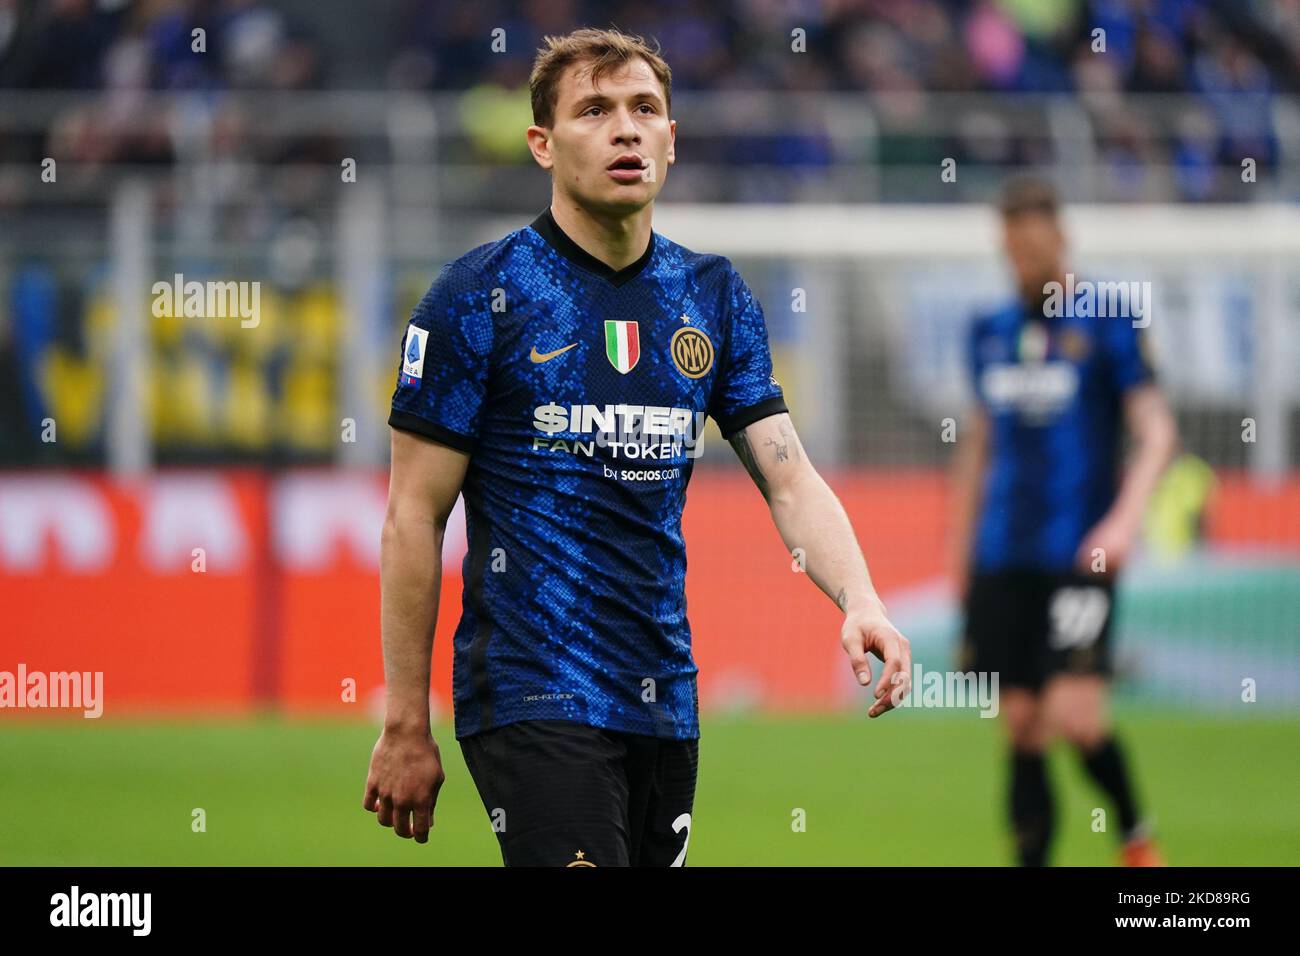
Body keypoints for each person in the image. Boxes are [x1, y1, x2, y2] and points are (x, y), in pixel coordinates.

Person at [362, 28, 912, 866]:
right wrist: (406, 720)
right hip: (531, 689)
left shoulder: (714, 296)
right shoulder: (477, 297)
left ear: (672, 140)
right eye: (595, 110)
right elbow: (413, 515)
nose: (626, 129)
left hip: (663, 696)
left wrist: (862, 598)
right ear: (542, 145)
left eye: (644, 109)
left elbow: (790, 480)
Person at [950, 177, 1179, 866]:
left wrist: (1123, 523)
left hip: (1081, 556)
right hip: (1002, 555)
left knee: (1075, 717)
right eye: (1011, 251)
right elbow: (979, 447)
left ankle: (1136, 834)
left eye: (1032, 248)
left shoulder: (1108, 320)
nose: (1021, 262)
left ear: (1061, 240)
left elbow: (1157, 430)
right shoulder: (989, 331)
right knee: (1019, 723)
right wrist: (960, 556)